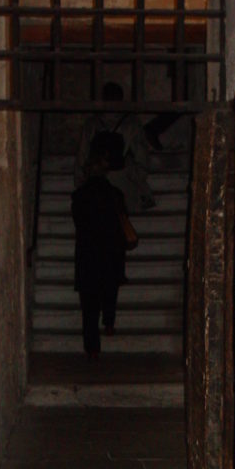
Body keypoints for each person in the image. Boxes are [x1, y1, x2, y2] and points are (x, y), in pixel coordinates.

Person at [71, 132, 128, 359]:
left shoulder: (79, 196)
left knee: (89, 303)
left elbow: (79, 223)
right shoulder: (115, 195)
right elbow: (121, 221)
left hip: (88, 252)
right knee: (109, 288)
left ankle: (92, 346)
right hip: (110, 250)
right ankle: (109, 321)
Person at [74, 81, 156, 213]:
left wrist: (81, 182)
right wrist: (137, 177)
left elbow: (82, 155)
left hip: (98, 181)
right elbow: (142, 157)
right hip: (123, 181)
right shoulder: (131, 123)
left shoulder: (92, 124)